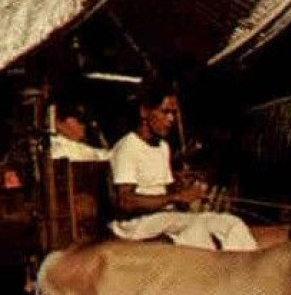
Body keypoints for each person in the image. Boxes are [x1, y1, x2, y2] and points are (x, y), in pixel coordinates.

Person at [108, 84, 257, 252]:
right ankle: (206, 275)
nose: (171, 119)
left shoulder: (163, 146)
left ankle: (243, 272)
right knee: (196, 229)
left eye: (174, 113)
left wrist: (189, 193)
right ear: (144, 112)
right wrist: (177, 197)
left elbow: (168, 191)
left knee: (232, 224)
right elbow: (125, 201)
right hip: (136, 224)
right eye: (165, 112)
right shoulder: (128, 147)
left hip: (165, 216)